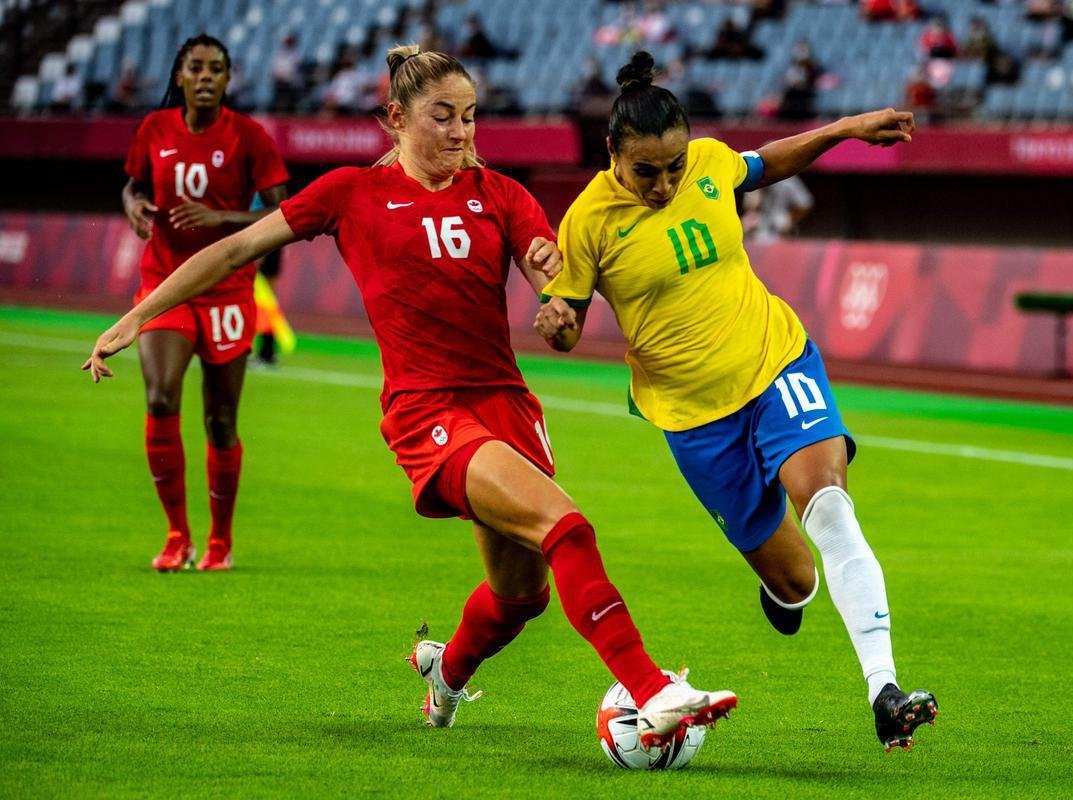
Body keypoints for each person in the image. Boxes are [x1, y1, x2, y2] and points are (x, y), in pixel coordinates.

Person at [84, 45, 737, 747]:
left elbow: (545, 265)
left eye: (470, 117)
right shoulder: (349, 193)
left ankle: (444, 675)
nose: (460, 132)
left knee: (521, 596)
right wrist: (138, 314)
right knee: (567, 526)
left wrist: (554, 286)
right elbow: (233, 250)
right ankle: (653, 688)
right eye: (442, 117)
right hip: (428, 411)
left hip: (505, 406)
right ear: (396, 118)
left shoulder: (499, 193)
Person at [535, 51, 938, 752]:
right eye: (647, 172)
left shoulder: (712, 164)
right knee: (796, 579)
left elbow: (768, 162)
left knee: (831, 505)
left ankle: (884, 689)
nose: (665, 183)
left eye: (676, 166)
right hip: (693, 417)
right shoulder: (588, 223)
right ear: (612, 155)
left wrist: (844, 128)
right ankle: (783, 593)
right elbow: (565, 317)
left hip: (774, 361)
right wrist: (561, 324)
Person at [116, 34, 290, 572]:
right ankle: (176, 535)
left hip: (227, 288)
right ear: (181, 76)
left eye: (217, 68)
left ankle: (220, 541)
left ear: (228, 78)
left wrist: (224, 219)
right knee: (162, 397)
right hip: (167, 283)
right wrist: (135, 207)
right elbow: (131, 186)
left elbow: (284, 216)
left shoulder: (249, 137)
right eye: (197, 67)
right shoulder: (153, 129)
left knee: (220, 421)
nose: (208, 76)